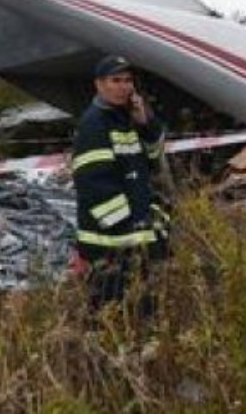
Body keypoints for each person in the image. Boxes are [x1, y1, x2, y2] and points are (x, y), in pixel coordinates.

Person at [72, 55, 170, 310]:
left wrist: (145, 122)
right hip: (108, 239)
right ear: (99, 84)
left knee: (141, 303)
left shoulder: (126, 118)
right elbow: (92, 183)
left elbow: (153, 155)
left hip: (132, 234)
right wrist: (127, 222)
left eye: (128, 81)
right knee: (108, 308)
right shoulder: (93, 124)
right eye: (116, 80)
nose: (124, 87)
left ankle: (143, 346)